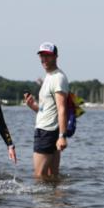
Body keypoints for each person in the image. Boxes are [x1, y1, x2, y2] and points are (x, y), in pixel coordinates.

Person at [23, 42, 69, 180]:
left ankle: (42, 202)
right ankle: (55, 201)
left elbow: (62, 108)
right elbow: (48, 110)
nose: (44, 59)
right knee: (51, 176)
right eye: (42, 56)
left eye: (48, 56)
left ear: (56, 56)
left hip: (47, 132)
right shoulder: (49, 77)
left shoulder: (58, 78)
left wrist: (62, 136)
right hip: (48, 130)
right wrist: (34, 107)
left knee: (39, 176)